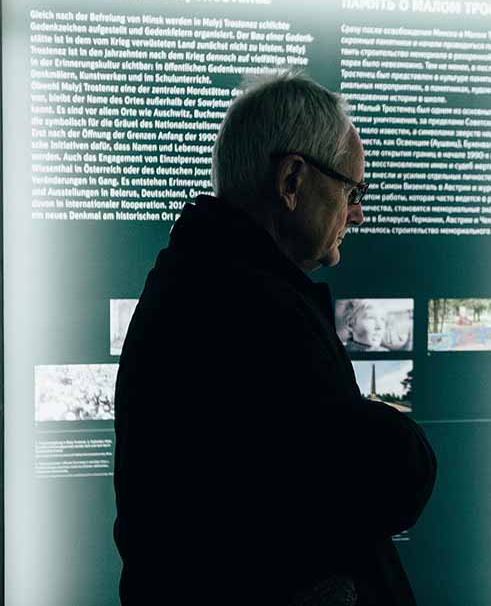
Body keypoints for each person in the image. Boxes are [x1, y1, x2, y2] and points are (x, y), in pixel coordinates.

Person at [113, 71, 437, 606]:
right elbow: (382, 478)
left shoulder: (202, 278)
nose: (357, 210)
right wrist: (391, 430)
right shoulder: (248, 305)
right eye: (351, 189)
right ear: (292, 181)